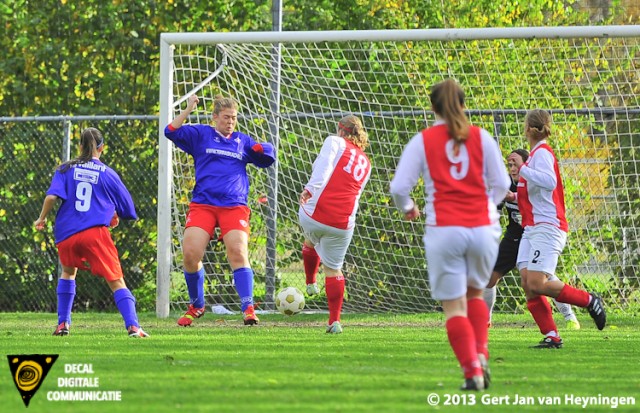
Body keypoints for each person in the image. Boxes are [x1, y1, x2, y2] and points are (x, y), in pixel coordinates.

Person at [390, 79, 510, 391]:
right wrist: (487, 205)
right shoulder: (482, 138)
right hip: (483, 229)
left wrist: (408, 207)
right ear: (463, 104)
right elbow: (502, 185)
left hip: (445, 229)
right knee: (475, 295)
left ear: (433, 107)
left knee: (454, 306)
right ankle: (481, 353)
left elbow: (399, 187)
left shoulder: (424, 140)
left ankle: (472, 370)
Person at [165, 95, 276, 326]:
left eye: (233, 118)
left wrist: (261, 148)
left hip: (233, 206)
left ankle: (248, 308)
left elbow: (268, 155)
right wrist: (188, 108)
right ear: (215, 117)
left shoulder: (241, 141)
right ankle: (197, 305)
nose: (230, 122)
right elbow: (171, 131)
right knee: (190, 254)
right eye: (226, 117)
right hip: (203, 204)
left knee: (237, 251)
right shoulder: (201, 135)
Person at [34, 127, 148, 338]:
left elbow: (51, 198)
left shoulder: (65, 169)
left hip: (66, 234)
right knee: (116, 280)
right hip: (94, 234)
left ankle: (63, 324)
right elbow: (129, 210)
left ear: (79, 147)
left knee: (68, 272)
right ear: (101, 148)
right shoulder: (107, 173)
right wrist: (113, 211)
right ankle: (133, 326)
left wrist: (41, 218)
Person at [511, 109, 606, 349]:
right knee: (527, 281)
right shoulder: (533, 156)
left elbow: (549, 182)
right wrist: (511, 195)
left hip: (548, 226)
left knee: (537, 283)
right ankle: (552, 335)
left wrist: (522, 170)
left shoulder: (541, 152)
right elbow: (534, 195)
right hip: (532, 228)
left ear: (530, 129)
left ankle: (589, 300)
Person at [483, 149, 580, 330]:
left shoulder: (536, 184)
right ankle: (485, 321)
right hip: (514, 238)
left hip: (536, 236)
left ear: (528, 165)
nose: (512, 168)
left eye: (516, 164)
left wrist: (515, 198)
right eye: (510, 165)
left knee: (544, 279)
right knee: (489, 278)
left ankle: (570, 316)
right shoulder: (504, 184)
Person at [299, 115, 372, 334]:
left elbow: (323, 167)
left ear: (341, 130)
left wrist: (310, 188)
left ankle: (311, 282)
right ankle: (335, 321)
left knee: (310, 239)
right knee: (333, 269)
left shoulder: (335, 141)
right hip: (343, 223)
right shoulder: (366, 163)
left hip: (315, 213)